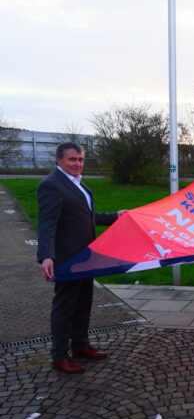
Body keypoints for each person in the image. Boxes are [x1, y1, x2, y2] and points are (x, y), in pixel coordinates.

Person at [37, 142, 125, 373]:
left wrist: (115, 216)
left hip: (85, 258)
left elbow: (85, 216)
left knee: (83, 304)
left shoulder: (77, 184)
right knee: (65, 308)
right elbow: (47, 223)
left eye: (80, 159)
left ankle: (80, 346)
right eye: (72, 160)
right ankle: (59, 356)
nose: (77, 164)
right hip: (67, 260)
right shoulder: (51, 185)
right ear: (59, 160)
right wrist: (46, 256)